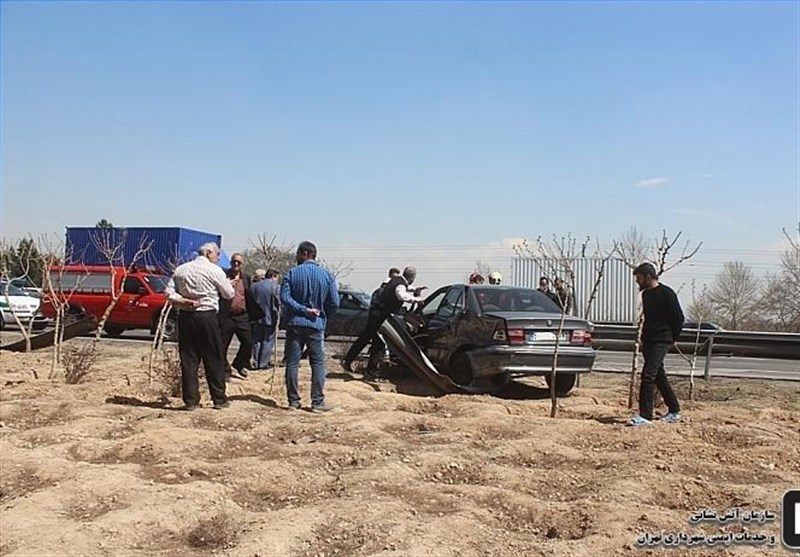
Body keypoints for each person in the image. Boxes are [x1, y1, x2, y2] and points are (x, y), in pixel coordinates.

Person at [165, 242, 235, 410]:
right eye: (217, 255)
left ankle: (190, 401)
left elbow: (168, 293)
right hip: (207, 316)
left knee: (188, 359)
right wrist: (228, 284)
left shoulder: (181, 269)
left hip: (186, 316)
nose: (218, 258)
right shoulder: (214, 270)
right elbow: (229, 293)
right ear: (209, 253)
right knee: (214, 358)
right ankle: (219, 399)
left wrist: (183, 300)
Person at [281, 241, 340, 412]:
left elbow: (285, 298)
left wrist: (302, 310)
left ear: (305, 253)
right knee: (318, 364)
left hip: (295, 324)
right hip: (316, 325)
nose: (296, 257)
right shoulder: (327, 275)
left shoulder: (292, 273)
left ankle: (293, 401)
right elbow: (335, 302)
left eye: (298, 254)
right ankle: (317, 403)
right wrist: (322, 314)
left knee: (292, 363)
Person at [341, 266, 425, 379]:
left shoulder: (396, 280)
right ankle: (368, 371)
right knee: (378, 343)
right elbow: (401, 295)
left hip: (377, 314)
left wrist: (415, 290)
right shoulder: (400, 284)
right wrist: (416, 299)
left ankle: (352, 363)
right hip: (378, 316)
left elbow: (404, 288)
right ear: (413, 277)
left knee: (367, 338)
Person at [628, 262, 684, 427]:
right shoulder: (646, 295)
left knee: (648, 375)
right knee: (659, 375)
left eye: (639, 278)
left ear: (647, 276)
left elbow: (678, 318)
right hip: (649, 340)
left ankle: (645, 415)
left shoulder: (667, 293)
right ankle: (674, 410)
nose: (637, 282)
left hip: (662, 339)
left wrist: (673, 337)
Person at [218, 252, 262, 380]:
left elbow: (249, 296)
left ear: (242, 264)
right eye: (233, 261)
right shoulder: (223, 276)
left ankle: (239, 363)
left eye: (239, 262)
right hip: (227, 316)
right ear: (230, 262)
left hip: (242, 316)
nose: (236, 264)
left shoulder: (246, 278)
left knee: (248, 342)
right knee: (222, 345)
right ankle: (224, 370)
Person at [250, 268, 281, 370]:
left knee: (256, 340)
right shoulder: (275, 287)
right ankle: (263, 363)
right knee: (268, 340)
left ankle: (255, 362)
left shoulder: (254, 286)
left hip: (256, 318)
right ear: (273, 276)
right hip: (270, 317)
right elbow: (279, 302)